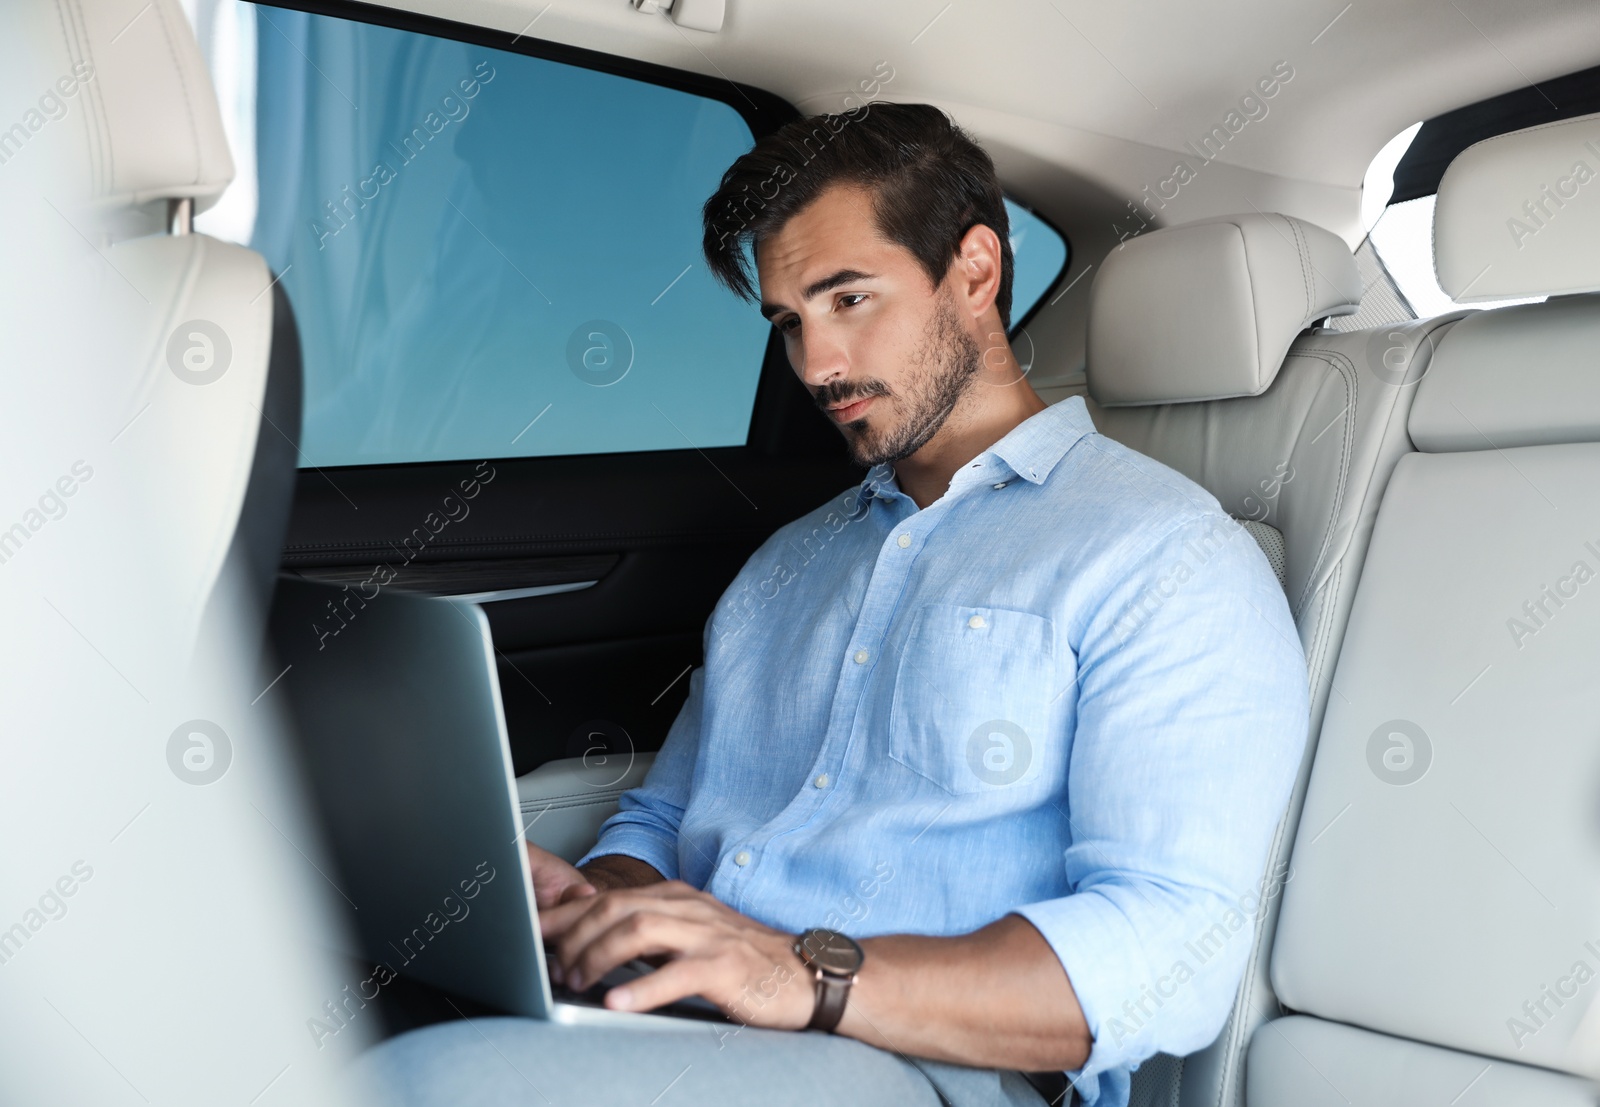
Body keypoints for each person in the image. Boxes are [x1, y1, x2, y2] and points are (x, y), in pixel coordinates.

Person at [360, 102, 1308, 1107]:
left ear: (975, 272)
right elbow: (665, 815)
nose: (816, 366)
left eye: (847, 299)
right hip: (698, 1017)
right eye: (788, 322)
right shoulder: (787, 564)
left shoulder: (1164, 558)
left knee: (425, 1085)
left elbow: (1169, 949)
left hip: (929, 1071)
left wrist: (796, 972)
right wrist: (602, 902)